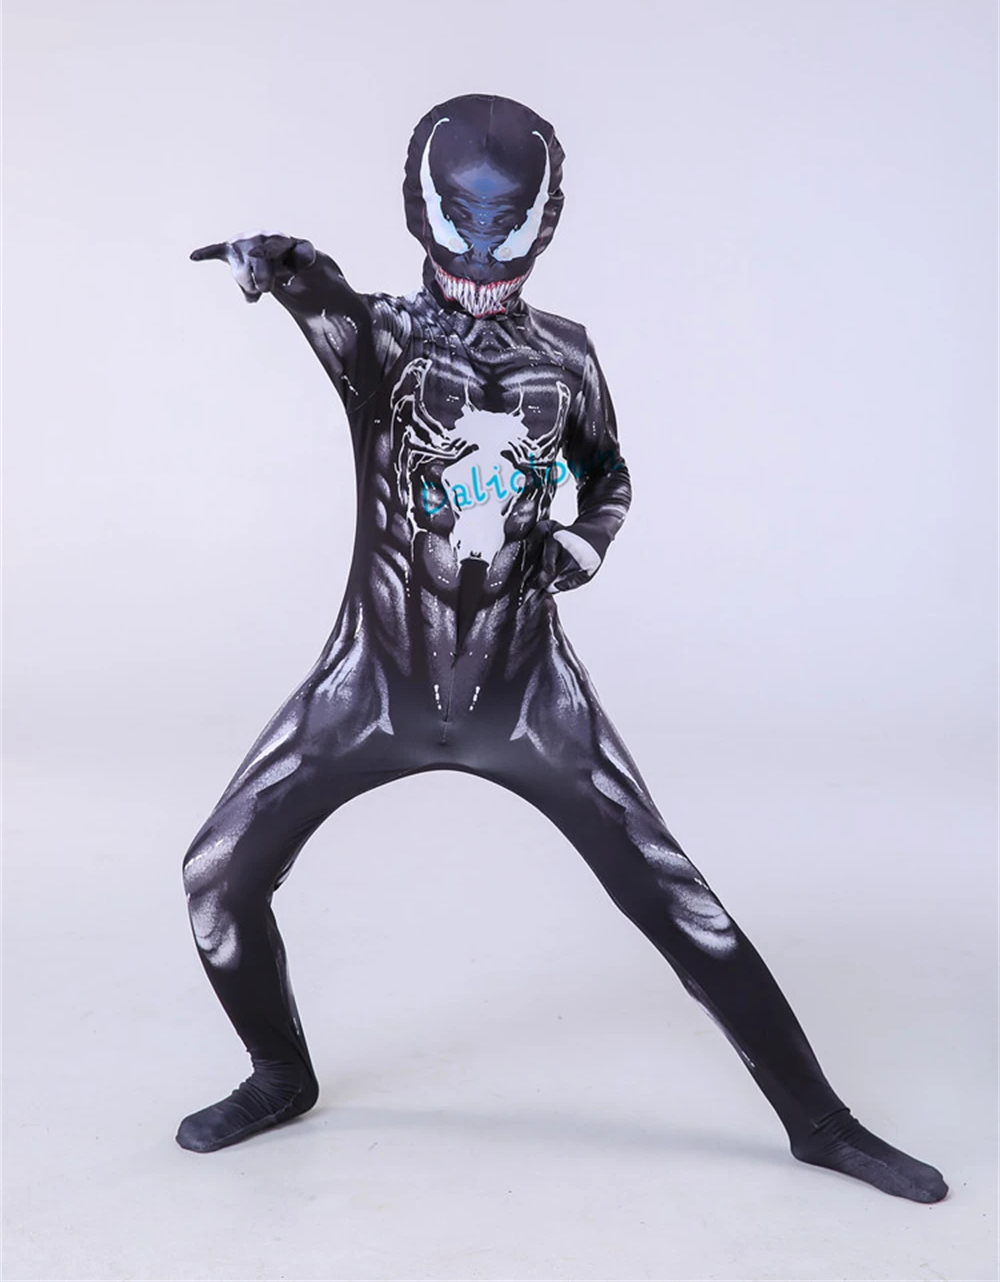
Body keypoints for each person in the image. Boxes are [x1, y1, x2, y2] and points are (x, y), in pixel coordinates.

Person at [178, 93, 946, 1203]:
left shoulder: (569, 357)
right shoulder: (382, 343)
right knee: (215, 876)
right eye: (462, 221)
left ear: (547, 219)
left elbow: (609, 475)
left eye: (510, 224)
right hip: (370, 688)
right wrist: (285, 265)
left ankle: (820, 1123)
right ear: (420, 212)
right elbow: (328, 304)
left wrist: (586, 542)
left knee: (679, 904)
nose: (486, 253)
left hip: (528, 697)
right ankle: (279, 1074)